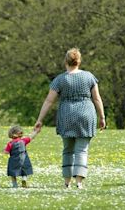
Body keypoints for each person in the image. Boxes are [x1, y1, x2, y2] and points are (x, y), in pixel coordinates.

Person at [34, 48, 105, 189]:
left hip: (67, 115)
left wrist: (40, 119)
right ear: (79, 61)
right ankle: (79, 182)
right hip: (86, 114)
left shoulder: (60, 79)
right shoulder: (89, 77)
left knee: (68, 150)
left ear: (65, 61)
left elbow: (49, 101)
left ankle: (67, 182)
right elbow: (96, 98)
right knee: (82, 150)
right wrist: (102, 116)